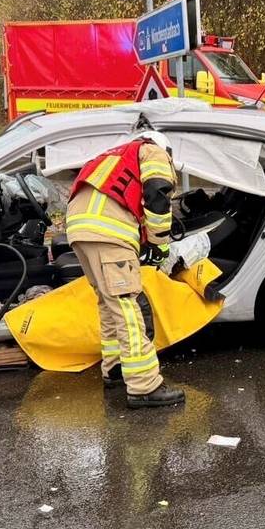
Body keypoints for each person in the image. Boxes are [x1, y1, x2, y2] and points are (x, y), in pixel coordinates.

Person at [67, 130, 185, 409]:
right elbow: (157, 192)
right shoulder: (152, 150)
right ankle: (144, 385)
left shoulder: (112, 156)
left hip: (80, 231)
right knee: (129, 307)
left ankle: (115, 369)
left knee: (109, 304)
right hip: (109, 232)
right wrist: (159, 243)